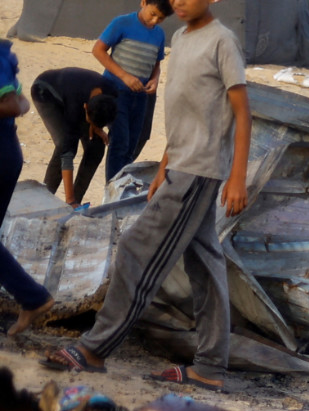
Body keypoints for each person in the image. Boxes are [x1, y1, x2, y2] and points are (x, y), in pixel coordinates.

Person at [41, 0, 248, 385]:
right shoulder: (182, 38)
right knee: (205, 262)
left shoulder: (223, 42)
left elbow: (241, 110)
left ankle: (93, 349)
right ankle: (210, 367)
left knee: (137, 249)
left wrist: (236, 176)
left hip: (199, 169)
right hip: (181, 164)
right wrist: (164, 165)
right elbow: (185, 110)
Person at [0, 40, 54, 335]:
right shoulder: (3, 58)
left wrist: (16, 106)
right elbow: (20, 102)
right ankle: (32, 296)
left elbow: (11, 104)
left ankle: (33, 296)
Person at [93, 0, 169, 184]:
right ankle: (112, 187)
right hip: (116, 91)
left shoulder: (159, 34)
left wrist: (155, 79)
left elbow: (156, 63)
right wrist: (124, 76)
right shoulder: (122, 23)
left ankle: (122, 184)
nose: (154, 21)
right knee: (120, 142)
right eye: (153, 14)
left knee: (133, 144)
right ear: (144, 2)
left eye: (161, 18)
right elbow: (98, 50)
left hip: (141, 96)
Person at [30, 67, 117, 206]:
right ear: (85, 107)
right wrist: (68, 198)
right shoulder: (75, 106)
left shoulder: (112, 95)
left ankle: (75, 202)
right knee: (65, 142)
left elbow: (104, 116)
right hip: (44, 91)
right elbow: (67, 151)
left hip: (74, 90)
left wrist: (96, 128)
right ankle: (45, 200)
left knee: (97, 146)